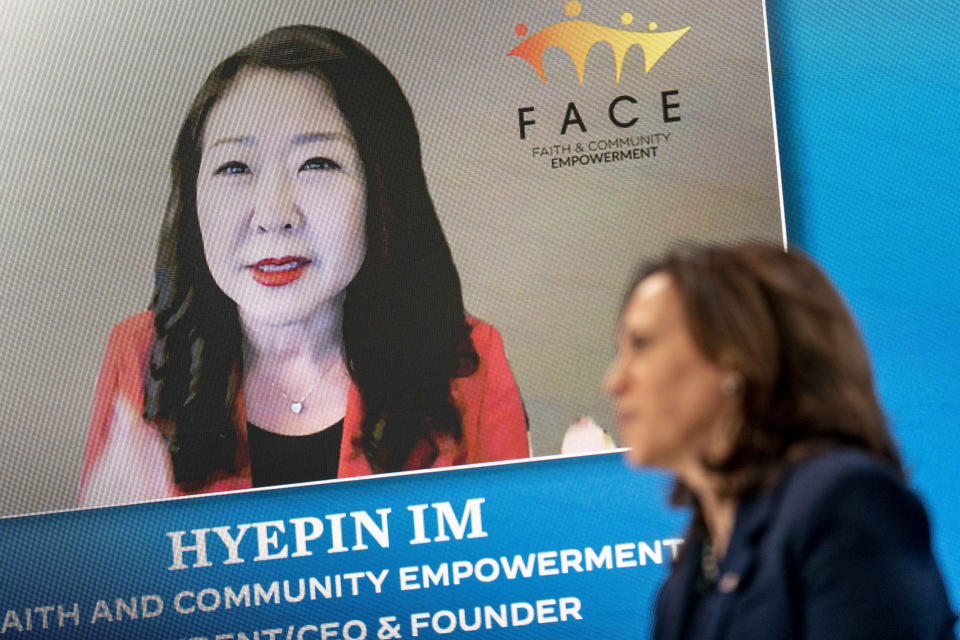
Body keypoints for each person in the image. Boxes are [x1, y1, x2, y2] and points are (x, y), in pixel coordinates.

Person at [79, 25, 528, 507]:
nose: (274, 216)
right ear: (193, 199)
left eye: (316, 164)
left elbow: (509, 560)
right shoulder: (141, 353)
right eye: (235, 167)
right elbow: (100, 572)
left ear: (380, 190)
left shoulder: (466, 361)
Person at [604, 244, 956, 639]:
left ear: (735, 354)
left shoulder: (843, 501)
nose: (614, 382)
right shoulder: (688, 576)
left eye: (642, 344)